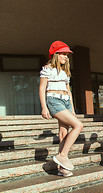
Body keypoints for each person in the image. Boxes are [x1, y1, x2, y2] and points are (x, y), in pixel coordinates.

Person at [39, 41, 83, 177]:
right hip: (54, 101)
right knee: (78, 125)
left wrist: (73, 109)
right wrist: (44, 107)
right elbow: (41, 88)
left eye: (67, 54)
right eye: (63, 54)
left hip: (66, 102)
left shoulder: (65, 72)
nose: (66, 57)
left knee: (63, 133)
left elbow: (69, 91)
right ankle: (62, 155)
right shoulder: (47, 68)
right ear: (55, 55)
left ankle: (61, 168)